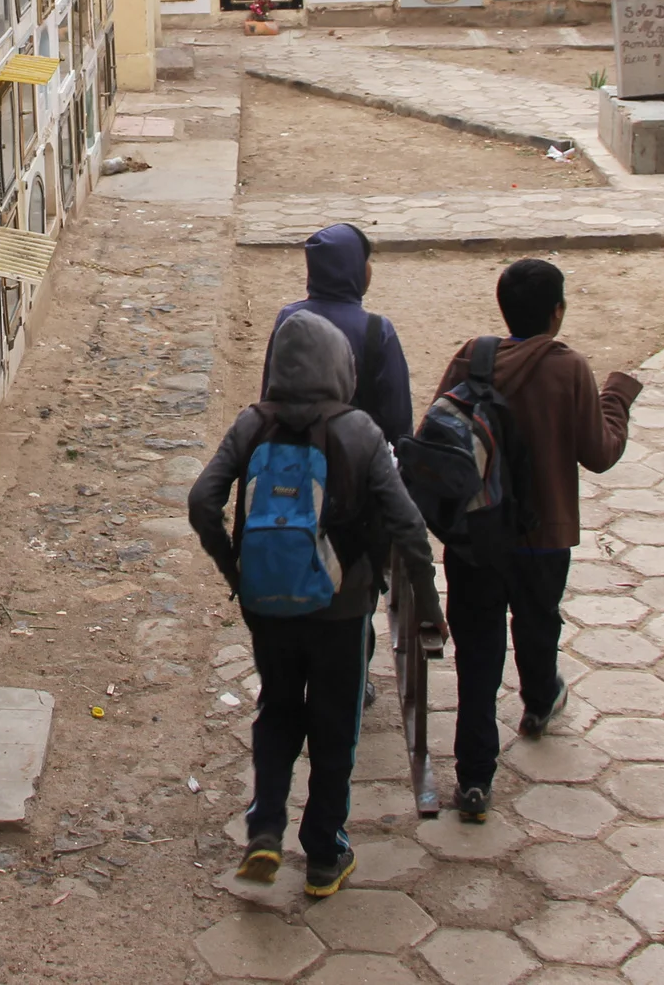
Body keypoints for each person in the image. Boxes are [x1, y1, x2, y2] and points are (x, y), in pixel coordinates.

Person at [190, 311, 436, 897]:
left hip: (267, 605)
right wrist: (426, 606)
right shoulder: (360, 433)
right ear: (340, 366)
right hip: (342, 608)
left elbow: (203, 500)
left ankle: (265, 830)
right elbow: (409, 529)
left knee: (277, 709)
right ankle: (324, 852)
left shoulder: (251, 425)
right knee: (334, 726)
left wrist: (234, 567)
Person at [440, 258, 642, 823]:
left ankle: (475, 779)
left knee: (477, 654)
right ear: (557, 312)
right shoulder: (568, 368)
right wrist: (617, 397)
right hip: (542, 534)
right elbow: (599, 453)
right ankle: (537, 701)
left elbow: (437, 433)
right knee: (537, 621)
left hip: (474, 536)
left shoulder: (470, 357)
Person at [262, 223, 413, 443]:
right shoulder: (377, 330)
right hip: (358, 457)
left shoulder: (289, 319)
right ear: (353, 268)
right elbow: (398, 418)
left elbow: (269, 394)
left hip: (291, 455)